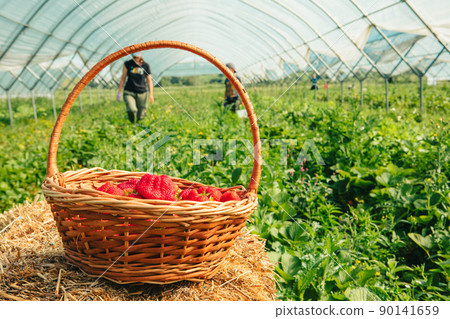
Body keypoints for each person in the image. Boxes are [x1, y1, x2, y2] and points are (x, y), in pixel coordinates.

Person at [117, 52, 154, 123]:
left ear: (141, 54)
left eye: (137, 56)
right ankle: (132, 124)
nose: (136, 58)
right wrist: (119, 91)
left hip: (142, 93)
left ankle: (138, 126)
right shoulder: (127, 64)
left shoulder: (145, 65)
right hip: (129, 92)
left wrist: (151, 94)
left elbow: (149, 80)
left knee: (141, 114)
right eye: (134, 56)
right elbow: (123, 78)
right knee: (132, 110)